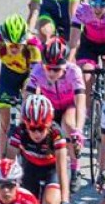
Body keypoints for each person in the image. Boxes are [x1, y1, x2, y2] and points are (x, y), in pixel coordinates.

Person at [8, 93, 71, 204]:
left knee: (50, 203)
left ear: (49, 124)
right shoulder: (19, 132)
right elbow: (9, 163)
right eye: (32, 128)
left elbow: (61, 170)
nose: (36, 133)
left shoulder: (56, 134)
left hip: (52, 170)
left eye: (41, 128)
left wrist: (65, 200)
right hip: (31, 169)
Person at [25, 37, 87, 179]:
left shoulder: (74, 72)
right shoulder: (38, 70)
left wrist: (78, 129)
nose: (51, 73)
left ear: (65, 65)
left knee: (68, 125)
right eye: (48, 68)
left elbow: (81, 102)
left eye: (56, 69)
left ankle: (74, 168)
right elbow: (28, 96)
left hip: (69, 106)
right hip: (50, 106)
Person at [0, 15, 44, 157]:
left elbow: (36, 78)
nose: (14, 48)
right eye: (10, 44)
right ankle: (1, 161)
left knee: (28, 112)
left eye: (18, 44)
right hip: (8, 77)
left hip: (28, 75)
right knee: (4, 124)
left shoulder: (34, 45)